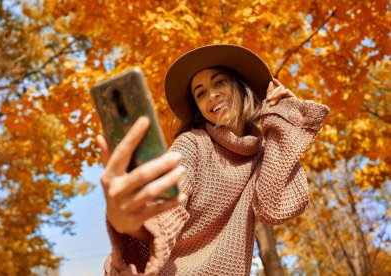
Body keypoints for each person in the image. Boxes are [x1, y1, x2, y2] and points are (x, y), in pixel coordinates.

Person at [97, 44, 329, 275]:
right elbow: (165, 208)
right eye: (200, 93)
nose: (212, 95)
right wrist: (129, 221)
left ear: (241, 87)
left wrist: (284, 118)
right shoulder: (194, 144)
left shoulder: (262, 156)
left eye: (219, 82)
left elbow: (274, 209)